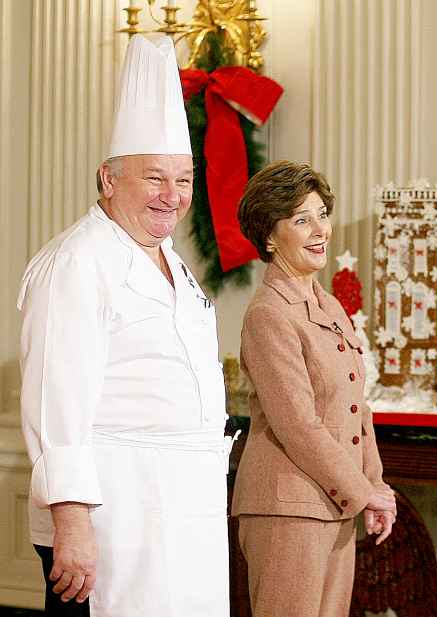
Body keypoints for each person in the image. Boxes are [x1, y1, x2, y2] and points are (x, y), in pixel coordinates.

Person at [17, 35, 230, 617]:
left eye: (184, 179)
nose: (174, 196)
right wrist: (73, 524)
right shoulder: (77, 263)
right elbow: (53, 401)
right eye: (155, 178)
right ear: (108, 179)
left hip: (185, 518)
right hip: (115, 518)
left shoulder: (172, 264)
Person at [233, 160, 396, 617]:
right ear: (270, 236)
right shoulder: (269, 314)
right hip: (286, 510)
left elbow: (354, 410)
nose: (319, 229)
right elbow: (297, 424)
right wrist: (363, 492)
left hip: (335, 504)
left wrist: (373, 486)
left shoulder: (328, 306)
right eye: (301, 219)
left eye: (322, 214)